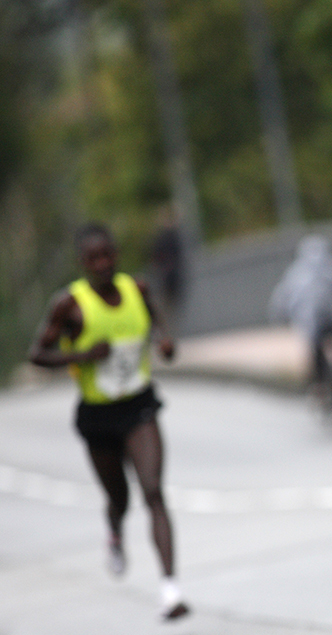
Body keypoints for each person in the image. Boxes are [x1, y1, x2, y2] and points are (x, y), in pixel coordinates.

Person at [28, 222, 190, 620]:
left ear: (116, 255)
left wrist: (165, 344)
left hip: (139, 406)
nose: (102, 263)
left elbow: (157, 324)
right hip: (98, 416)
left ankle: (170, 590)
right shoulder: (69, 305)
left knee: (153, 490)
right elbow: (37, 354)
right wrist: (80, 357)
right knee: (120, 498)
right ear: (83, 263)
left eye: (107, 255)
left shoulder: (138, 290)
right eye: (92, 258)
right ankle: (115, 530)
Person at [269, 235, 332, 393]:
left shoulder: (296, 272)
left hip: (311, 323)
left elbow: (282, 297)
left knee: (314, 350)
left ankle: (319, 387)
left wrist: (278, 317)